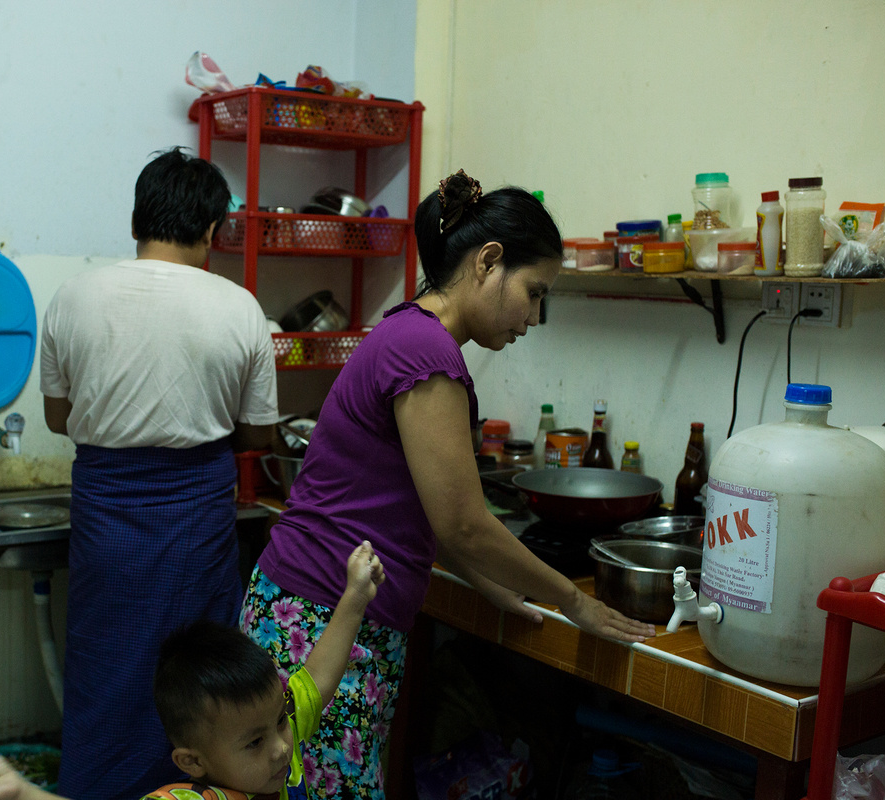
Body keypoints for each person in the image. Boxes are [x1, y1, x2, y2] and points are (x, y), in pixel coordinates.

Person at [239, 170, 657, 799]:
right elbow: (463, 521)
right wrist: (573, 600)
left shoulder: (410, 331)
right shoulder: (426, 353)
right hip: (323, 618)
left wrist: (496, 587)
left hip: (318, 608)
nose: (535, 317)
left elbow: (434, 514)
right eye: (535, 292)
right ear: (490, 262)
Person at [39, 147, 278, 798]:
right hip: (195, 524)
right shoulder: (240, 309)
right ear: (212, 230)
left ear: (138, 220)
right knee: (200, 685)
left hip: (106, 525)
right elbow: (259, 433)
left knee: (105, 674)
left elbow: (59, 418)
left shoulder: (71, 297)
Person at [0, 542, 386, 800]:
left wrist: (355, 597)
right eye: (254, 742)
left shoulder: (273, 746)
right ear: (191, 762)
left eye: (278, 725)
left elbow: (318, 680)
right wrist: (24, 793)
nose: (280, 748)